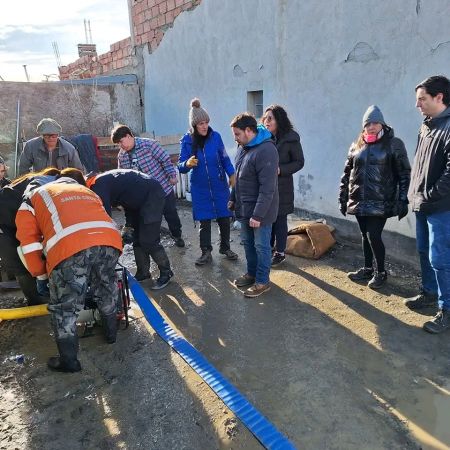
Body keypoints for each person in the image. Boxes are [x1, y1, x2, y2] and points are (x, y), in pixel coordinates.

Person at [15, 177, 123, 372]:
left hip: (70, 248)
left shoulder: (30, 199)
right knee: (106, 287)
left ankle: (69, 361)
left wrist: (41, 275)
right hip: (109, 240)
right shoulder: (84, 190)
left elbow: (29, 245)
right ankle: (111, 335)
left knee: (65, 307)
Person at [339, 105, 411, 289]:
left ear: (382, 124)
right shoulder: (357, 144)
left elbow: (404, 173)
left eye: (375, 122)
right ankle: (367, 268)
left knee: (374, 236)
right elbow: (347, 173)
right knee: (364, 235)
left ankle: (381, 272)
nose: (371, 126)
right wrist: (343, 196)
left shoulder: (394, 144)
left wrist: (402, 199)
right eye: (368, 123)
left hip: (380, 201)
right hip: (358, 201)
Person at [405, 75, 450, 334]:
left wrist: (431, 194)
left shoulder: (448, 127)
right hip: (421, 204)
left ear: (439, 97)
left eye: (422, 99)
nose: (417, 104)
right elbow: (419, 165)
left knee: (440, 258)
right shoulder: (427, 126)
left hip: (440, 207)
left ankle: (446, 309)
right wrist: (413, 193)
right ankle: (429, 293)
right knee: (423, 251)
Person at [85, 169, 174, 290]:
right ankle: (143, 273)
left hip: (151, 196)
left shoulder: (97, 187)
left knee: (149, 240)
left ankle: (166, 273)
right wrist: (128, 225)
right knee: (136, 238)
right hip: (137, 200)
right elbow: (126, 200)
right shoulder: (99, 180)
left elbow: (105, 217)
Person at [178, 99, 238, 265]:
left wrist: (231, 174)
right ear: (194, 125)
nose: (204, 126)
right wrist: (187, 164)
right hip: (200, 187)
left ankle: (225, 248)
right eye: (200, 123)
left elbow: (225, 158)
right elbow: (181, 166)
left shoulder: (215, 137)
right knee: (204, 221)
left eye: (206, 122)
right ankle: (206, 252)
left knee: (224, 217)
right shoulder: (187, 141)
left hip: (219, 185)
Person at [229, 113, 279, 298]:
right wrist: (233, 197)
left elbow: (268, 189)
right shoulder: (243, 147)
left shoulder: (267, 150)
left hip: (261, 212)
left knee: (262, 246)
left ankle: (262, 282)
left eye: (237, 134)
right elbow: (239, 175)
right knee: (248, 244)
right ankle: (251, 274)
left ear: (249, 131)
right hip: (244, 207)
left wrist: (258, 215)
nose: (235, 138)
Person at [113, 124, 185, 248]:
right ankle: (153, 242)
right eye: (118, 144)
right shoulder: (122, 155)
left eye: (121, 141)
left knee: (171, 215)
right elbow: (123, 176)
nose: (121, 146)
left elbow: (165, 160)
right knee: (150, 219)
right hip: (144, 196)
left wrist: (172, 175)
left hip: (163, 188)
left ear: (129, 136)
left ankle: (177, 235)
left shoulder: (149, 145)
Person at [0, 168, 61, 304]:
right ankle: (36, 302)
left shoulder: (39, 181)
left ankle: (41, 297)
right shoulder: (45, 187)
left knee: (29, 256)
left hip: (12, 217)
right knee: (18, 262)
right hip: (4, 222)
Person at [262, 105, 304, 267]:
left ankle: (280, 252)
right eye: (265, 118)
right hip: (266, 186)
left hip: (282, 186)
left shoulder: (290, 138)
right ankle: (269, 248)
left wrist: (281, 170)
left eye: (270, 118)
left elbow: (299, 162)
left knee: (279, 219)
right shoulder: (263, 137)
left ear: (279, 120)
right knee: (268, 219)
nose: (266, 121)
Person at [18, 118, 84, 175]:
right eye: (47, 135)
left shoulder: (69, 148)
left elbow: (77, 171)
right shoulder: (31, 146)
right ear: (42, 135)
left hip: (62, 183)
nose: (50, 138)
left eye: (53, 136)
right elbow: (23, 168)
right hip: (39, 182)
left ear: (58, 134)